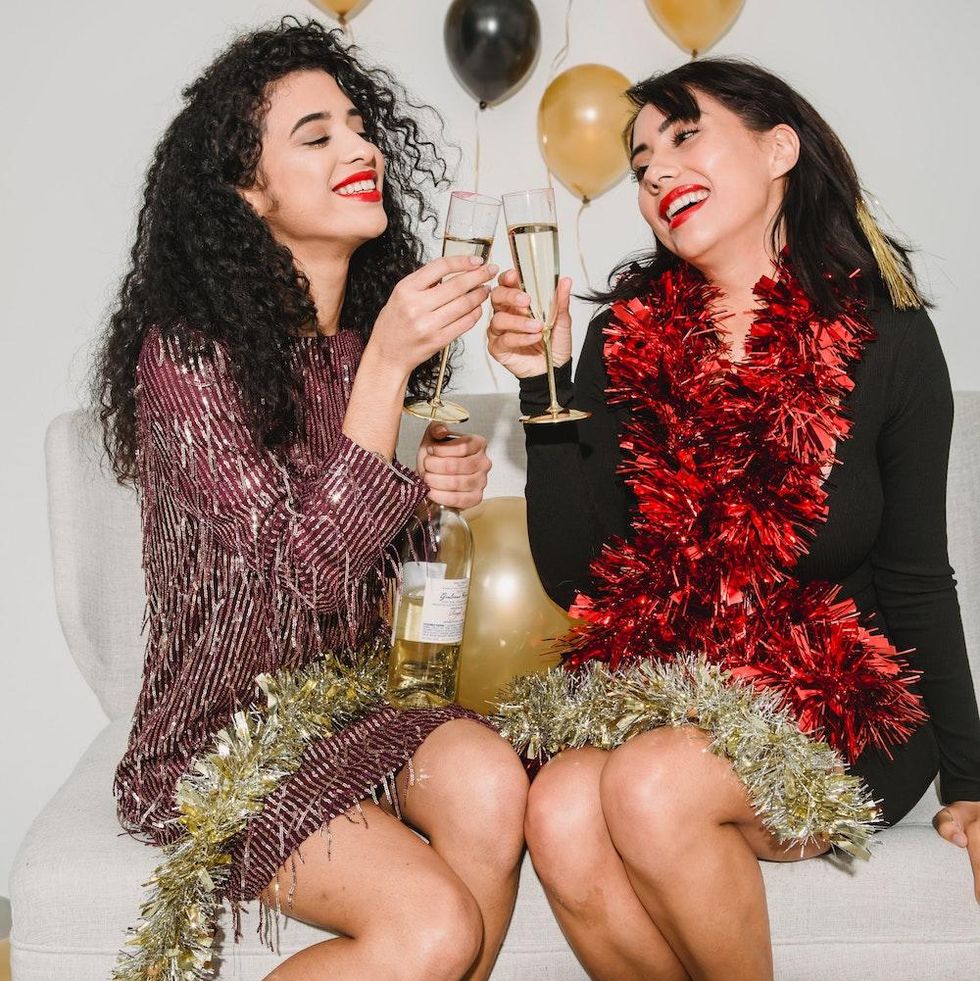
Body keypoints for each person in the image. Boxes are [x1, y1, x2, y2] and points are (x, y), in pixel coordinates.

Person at [488, 58, 980, 981]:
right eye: (641, 165)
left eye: (685, 137)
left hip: (841, 702)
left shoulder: (890, 338)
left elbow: (919, 576)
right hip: (674, 693)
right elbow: (581, 578)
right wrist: (543, 389)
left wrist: (975, 783)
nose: (657, 175)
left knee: (651, 782)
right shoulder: (620, 336)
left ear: (779, 147)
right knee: (557, 802)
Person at [97, 19, 528, 981]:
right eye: (317, 134)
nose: (361, 148)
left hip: (357, 710)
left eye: (360, 127)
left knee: (491, 780)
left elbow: (371, 586)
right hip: (228, 739)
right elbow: (307, 575)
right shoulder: (187, 358)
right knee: (433, 928)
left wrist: (428, 499)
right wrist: (387, 371)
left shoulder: (362, 348)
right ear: (248, 191)